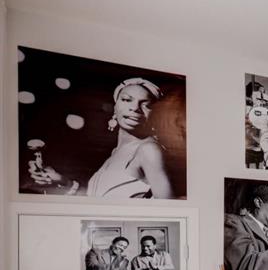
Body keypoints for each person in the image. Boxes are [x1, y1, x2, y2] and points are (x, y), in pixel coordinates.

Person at [29, 78, 175, 198]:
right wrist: (63, 181)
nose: (135, 108)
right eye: (126, 100)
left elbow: (167, 209)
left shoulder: (149, 150)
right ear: (115, 109)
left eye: (146, 105)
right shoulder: (115, 152)